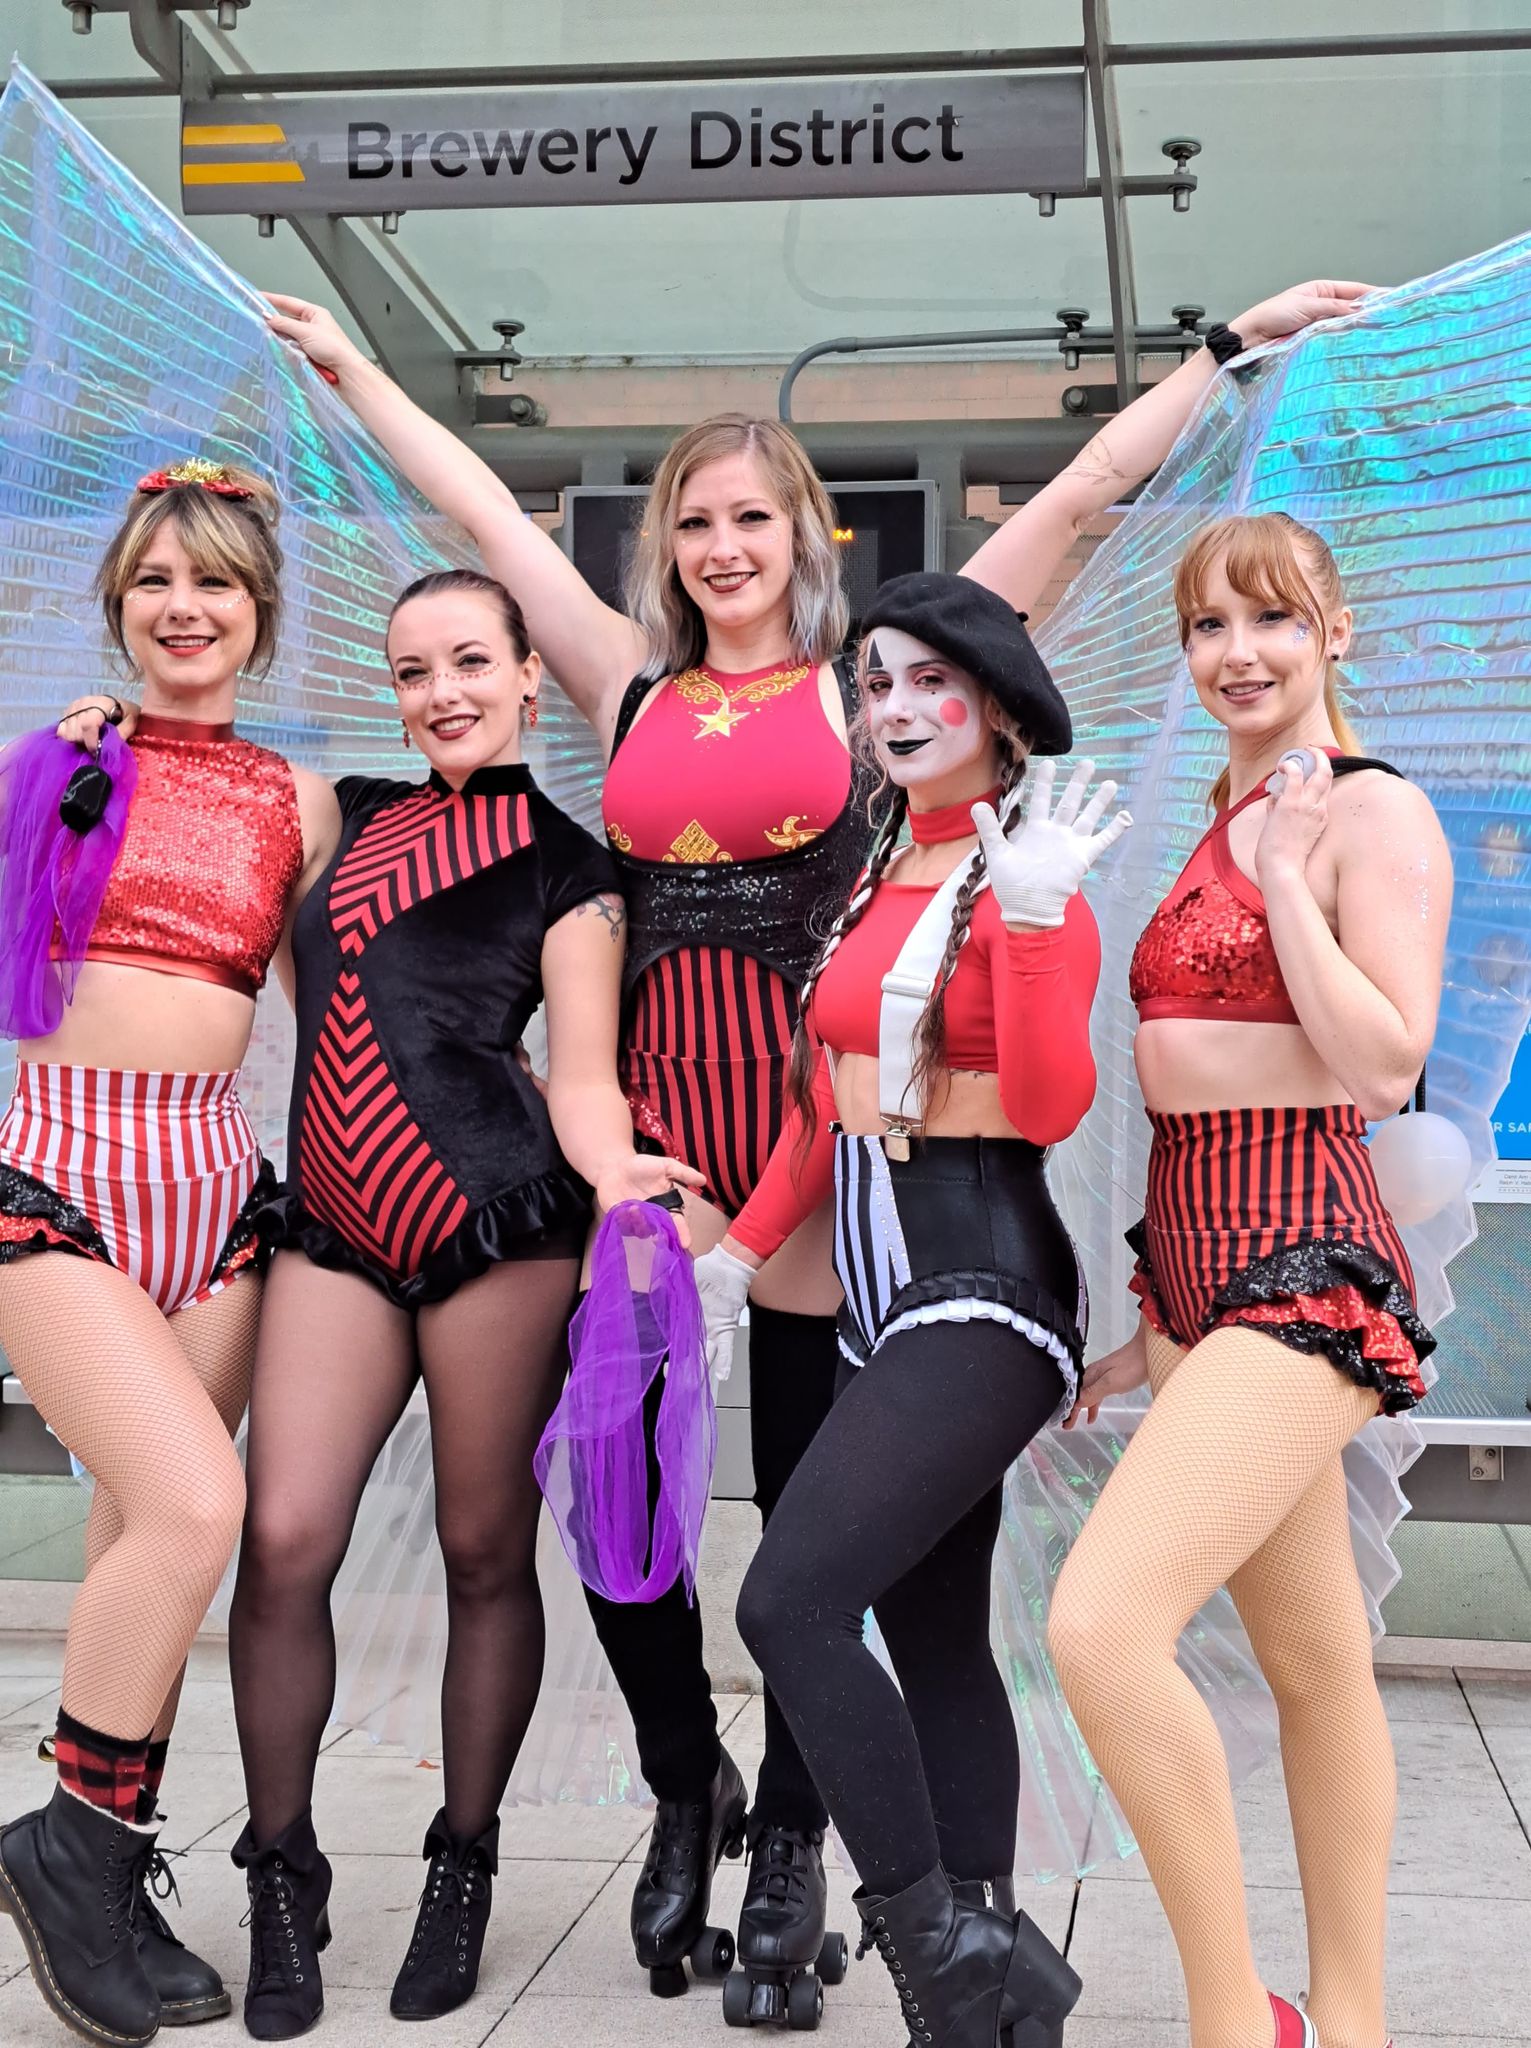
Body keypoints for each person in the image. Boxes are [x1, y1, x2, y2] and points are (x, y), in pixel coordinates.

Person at [263, 277, 1365, 2002]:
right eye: (694, 520)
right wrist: (351, 373)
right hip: (647, 1161)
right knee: (615, 1518)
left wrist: (1222, 356)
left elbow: (1084, 495)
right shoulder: (626, 683)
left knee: (810, 1529)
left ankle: (794, 1847)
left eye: (752, 517)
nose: (723, 546)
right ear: (666, 545)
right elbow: (477, 510)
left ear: (805, 534)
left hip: (833, 1164)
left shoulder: (882, 697)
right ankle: (683, 1784)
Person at [53, 563, 698, 2038]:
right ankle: (282, 1873)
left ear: (529, 676)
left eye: (471, 662)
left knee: (483, 1550)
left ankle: (461, 1863)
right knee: (281, 1541)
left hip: (499, 1229)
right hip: (333, 1226)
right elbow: (210, 868)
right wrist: (104, 739)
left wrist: (619, 1176)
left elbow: (583, 1079)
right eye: (414, 671)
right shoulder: (333, 816)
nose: (443, 693)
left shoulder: (574, 871)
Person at [686, 572, 1122, 2046]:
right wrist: (740, 1256)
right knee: (933, 1635)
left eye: (931, 680)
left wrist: (1039, 919)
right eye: (875, 682)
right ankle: (992, 1985)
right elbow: (835, 1105)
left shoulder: (1024, 872)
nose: (896, 707)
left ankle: (943, 1959)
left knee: (789, 1603)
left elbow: (1047, 1107)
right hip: (879, 1296)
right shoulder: (885, 866)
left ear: (996, 707)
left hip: (984, 1281)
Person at [1047, 512, 1449, 2048]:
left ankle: (1240, 2024)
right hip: (1199, 1286)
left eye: (1273, 619)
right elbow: (1182, 1084)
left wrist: (1288, 878)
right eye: (1208, 627)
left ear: (1334, 632)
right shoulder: (1223, 813)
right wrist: (1151, 1328)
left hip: (1305, 1272)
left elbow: (1385, 1061)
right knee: (1314, 1662)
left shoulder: (1367, 812)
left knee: (1101, 1628)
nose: (1239, 653)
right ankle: (1351, 2023)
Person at [0, 461, 337, 2048]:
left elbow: (336, 1020)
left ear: (257, 615)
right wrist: (50, 792)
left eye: (214, 583)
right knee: (201, 1504)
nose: (183, 607)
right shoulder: (52, 765)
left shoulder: (299, 801)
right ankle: (66, 1855)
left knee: (156, 1540)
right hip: (58, 1176)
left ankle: (108, 1874)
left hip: (215, 1193)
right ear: (118, 604)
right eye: (153, 580)